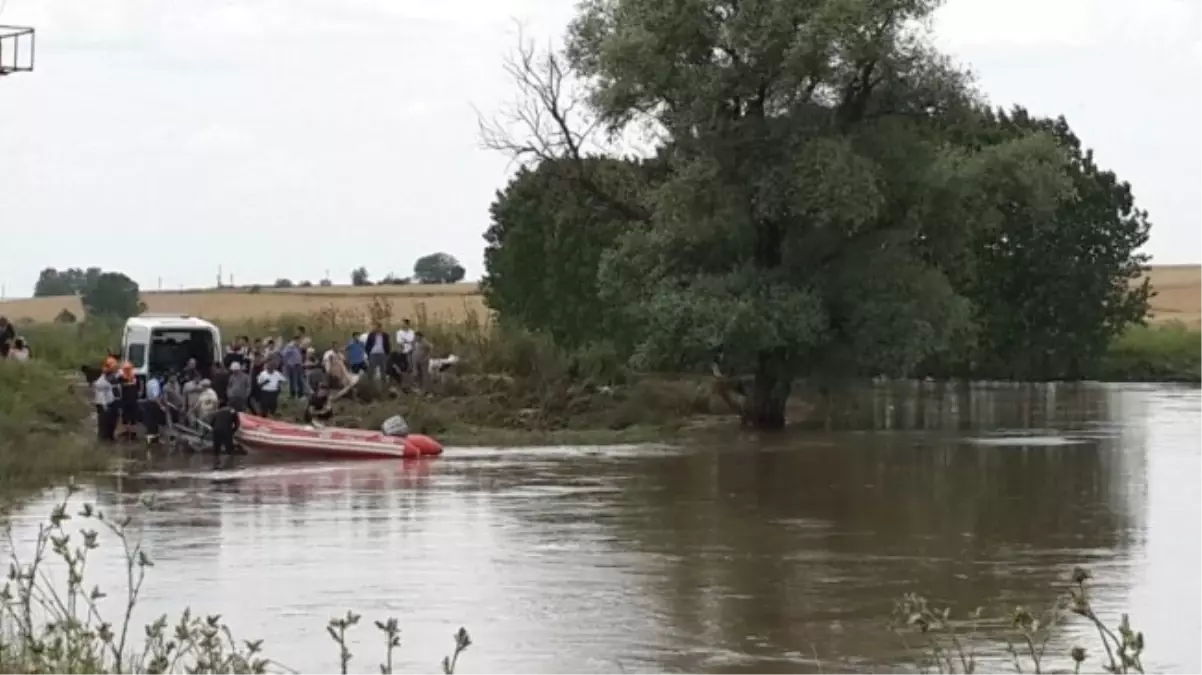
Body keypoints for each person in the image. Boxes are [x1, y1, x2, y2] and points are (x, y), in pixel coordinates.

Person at [87, 365, 116, 442]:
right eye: (112, 376)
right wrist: (105, 406)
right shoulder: (101, 383)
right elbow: (101, 396)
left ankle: (108, 436)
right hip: (103, 404)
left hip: (108, 403)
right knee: (103, 421)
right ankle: (102, 438)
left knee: (109, 421)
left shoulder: (105, 380)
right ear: (108, 376)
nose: (113, 378)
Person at [118, 362, 141, 441]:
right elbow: (139, 390)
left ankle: (129, 433)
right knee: (132, 417)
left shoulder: (121, 378)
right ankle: (132, 434)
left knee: (127, 417)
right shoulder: (135, 378)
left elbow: (119, 389)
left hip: (126, 400)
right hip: (133, 400)